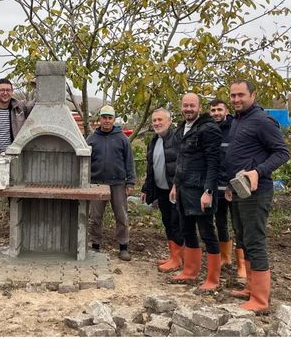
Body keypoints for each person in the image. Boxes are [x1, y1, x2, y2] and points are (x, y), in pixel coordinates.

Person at [224, 80, 290, 312]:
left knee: (255, 240)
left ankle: (260, 300)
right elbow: (240, 155)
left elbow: (282, 153)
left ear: (253, 95)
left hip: (256, 190)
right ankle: (250, 287)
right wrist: (231, 186)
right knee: (243, 238)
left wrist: (257, 171)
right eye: (232, 96)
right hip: (239, 189)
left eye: (241, 95)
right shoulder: (238, 120)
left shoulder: (262, 121)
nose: (236, 100)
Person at [168, 93, 223, 292]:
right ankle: (190, 272)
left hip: (201, 191)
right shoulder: (182, 129)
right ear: (181, 107)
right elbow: (180, 162)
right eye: (185, 105)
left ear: (200, 108)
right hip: (183, 190)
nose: (188, 109)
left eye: (192, 105)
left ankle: (213, 279)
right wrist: (175, 185)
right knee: (187, 230)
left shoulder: (209, 129)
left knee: (208, 233)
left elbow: (214, 163)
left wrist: (208, 191)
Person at [0, 78, 35, 246]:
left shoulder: (20, 108)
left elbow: (39, 103)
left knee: (15, 197)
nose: (5, 93)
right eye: (1, 90)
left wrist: (38, 85)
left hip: (14, 158)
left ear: (12, 92)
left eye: (8, 90)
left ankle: (16, 236)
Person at [86, 105, 136, 261]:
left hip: (118, 184)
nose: (106, 121)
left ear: (114, 120)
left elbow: (129, 162)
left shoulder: (122, 138)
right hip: (97, 183)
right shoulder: (92, 139)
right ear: (99, 119)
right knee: (95, 217)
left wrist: (130, 183)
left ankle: (123, 247)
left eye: (110, 118)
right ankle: (95, 245)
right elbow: (85, 162)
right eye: (104, 117)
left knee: (121, 216)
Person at [140, 108, 183, 272]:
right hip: (162, 190)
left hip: (175, 190)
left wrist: (177, 185)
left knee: (176, 222)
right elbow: (151, 167)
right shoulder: (154, 141)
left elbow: (182, 165)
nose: (157, 123)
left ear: (169, 121)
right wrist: (146, 187)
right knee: (167, 222)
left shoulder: (177, 139)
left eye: (160, 120)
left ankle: (179, 259)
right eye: (154, 121)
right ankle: (173, 256)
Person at [209, 98, 246, 277]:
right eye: (213, 110)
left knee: (239, 225)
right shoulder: (210, 130)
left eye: (219, 110)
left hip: (234, 186)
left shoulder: (234, 128)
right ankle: (225, 257)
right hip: (217, 187)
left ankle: (242, 264)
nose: (216, 113)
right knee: (221, 223)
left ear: (226, 111)